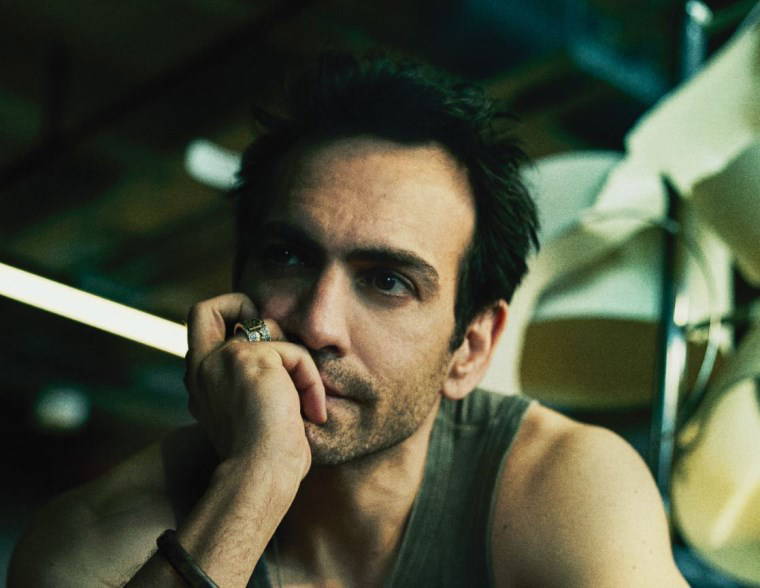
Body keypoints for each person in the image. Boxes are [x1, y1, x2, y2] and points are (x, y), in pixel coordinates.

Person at [8, 54, 688, 587]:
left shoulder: (559, 488)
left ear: (472, 348)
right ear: (238, 287)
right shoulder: (92, 540)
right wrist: (259, 477)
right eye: (289, 258)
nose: (319, 324)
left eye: (388, 281)